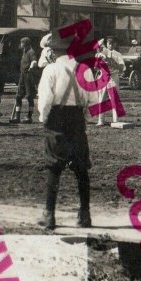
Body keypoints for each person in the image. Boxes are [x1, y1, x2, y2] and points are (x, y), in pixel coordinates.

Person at [36, 29, 94, 229]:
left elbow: (45, 99)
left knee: (54, 167)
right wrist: (84, 118)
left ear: (55, 51)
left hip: (57, 119)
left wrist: (43, 118)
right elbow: (92, 101)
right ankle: (84, 215)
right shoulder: (85, 69)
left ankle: (49, 215)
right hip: (77, 120)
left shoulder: (50, 70)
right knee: (81, 169)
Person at [95, 36, 125, 126]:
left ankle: (115, 121)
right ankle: (101, 120)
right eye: (108, 43)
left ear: (115, 44)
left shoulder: (118, 54)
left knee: (114, 99)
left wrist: (111, 62)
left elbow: (122, 68)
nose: (110, 45)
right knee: (101, 99)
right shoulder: (99, 54)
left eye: (112, 43)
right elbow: (96, 68)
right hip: (103, 77)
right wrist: (100, 61)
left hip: (113, 77)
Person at [12, 36, 38, 123]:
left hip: (28, 76)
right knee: (18, 96)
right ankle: (17, 116)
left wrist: (31, 67)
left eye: (22, 43)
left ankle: (29, 117)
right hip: (22, 75)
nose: (20, 44)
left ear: (25, 44)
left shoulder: (31, 52)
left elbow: (34, 61)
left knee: (29, 96)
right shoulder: (24, 51)